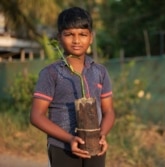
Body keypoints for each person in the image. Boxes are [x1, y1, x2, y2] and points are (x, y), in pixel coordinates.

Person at [30, 6, 115, 167]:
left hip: (95, 145)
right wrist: (69, 139)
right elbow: (36, 116)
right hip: (62, 147)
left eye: (82, 34)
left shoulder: (100, 72)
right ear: (59, 37)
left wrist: (101, 135)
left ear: (91, 37)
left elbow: (109, 111)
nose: (76, 40)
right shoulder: (51, 73)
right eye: (69, 34)